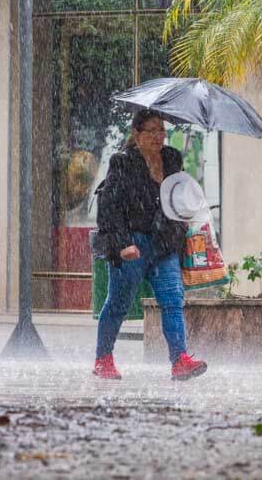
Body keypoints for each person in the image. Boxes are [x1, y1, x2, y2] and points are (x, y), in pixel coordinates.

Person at [93, 110, 207, 381]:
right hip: (133, 243)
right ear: (136, 134)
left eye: (161, 130)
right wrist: (122, 244)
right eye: (151, 130)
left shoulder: (172, 158)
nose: (158, 136)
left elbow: (176, 198)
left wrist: (188, 210)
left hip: (163, 242)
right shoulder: (122, 162)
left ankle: (180, 359)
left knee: (172, 300)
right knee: (118, 303)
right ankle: (103, 358)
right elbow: (110, 207)